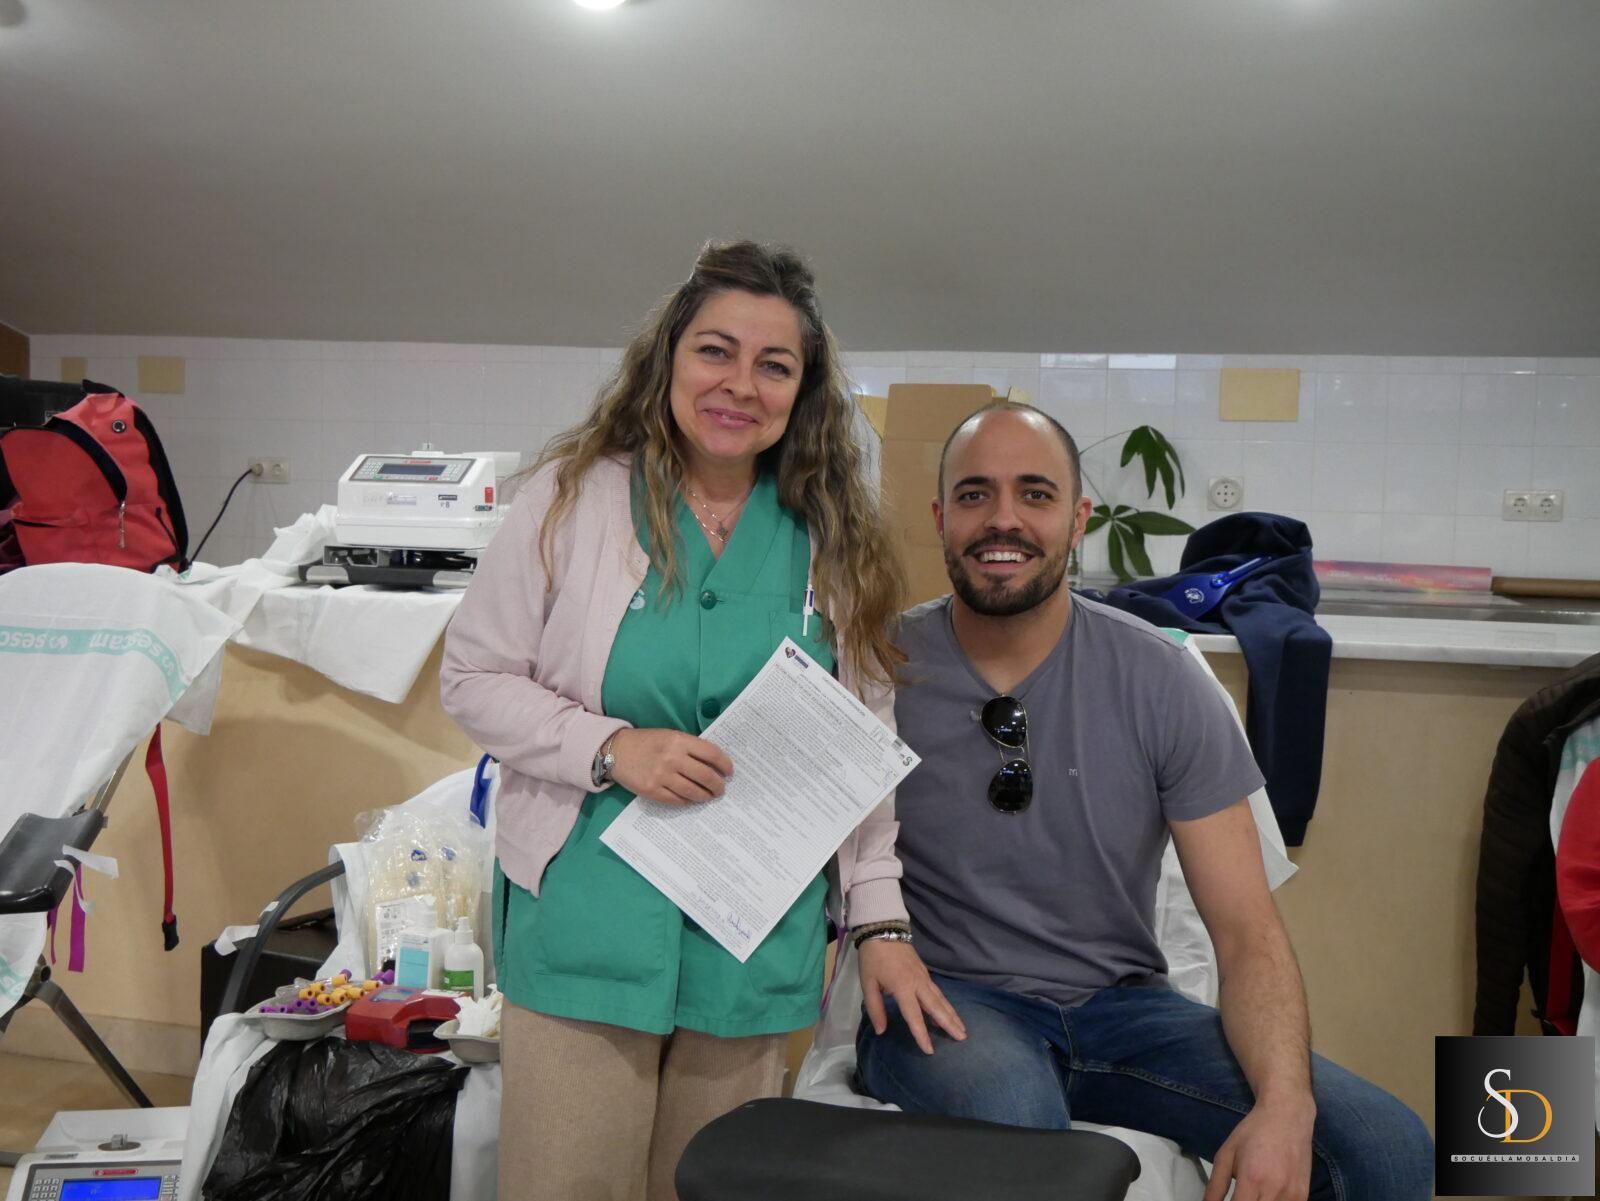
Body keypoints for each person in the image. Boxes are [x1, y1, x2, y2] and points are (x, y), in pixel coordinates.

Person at [439, 240, 959, 1201]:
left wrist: (880, 917)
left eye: (775, 365)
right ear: (669, 358)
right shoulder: (574, 500)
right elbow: (472, 676)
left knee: (715, 1187)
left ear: (803, 391)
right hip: (588, 925)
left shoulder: (830, 536)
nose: (740, 385)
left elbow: (857, 753)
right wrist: (609, 746)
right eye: (716, 351)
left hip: (752, 940)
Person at [854, 401, 1434, 1201]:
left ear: (1079, 518)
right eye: (975, 494)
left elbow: (1246, 932)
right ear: (940, 517)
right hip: (952, 1001)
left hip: (1124, 1013)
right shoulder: (879, 671)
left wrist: (1284, 1103)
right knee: (1018, 1128)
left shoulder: (1160, 679)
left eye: (1035, 493)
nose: (1003, 519)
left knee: (1387, 1148)